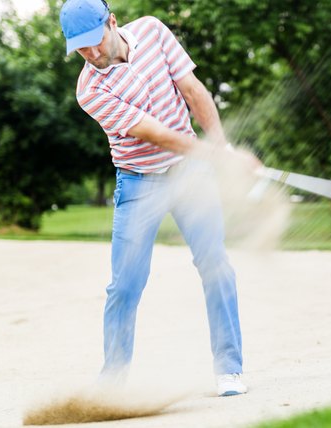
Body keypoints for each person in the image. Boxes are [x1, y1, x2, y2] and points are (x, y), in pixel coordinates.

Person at [59, 0, 259, 396]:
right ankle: (112, 384)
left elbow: (192, 90)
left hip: (190, 175)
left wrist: (222, 145)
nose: (92, 54)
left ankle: (229, 368)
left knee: (215, 262)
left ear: (112, 22)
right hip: (138, 182)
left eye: (95, 41)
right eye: (81, 48)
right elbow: (152, 132)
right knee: (125, 286)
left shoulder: (152, 31)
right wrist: (211, 154)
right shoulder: (90, 89)